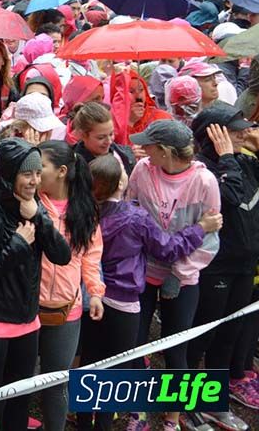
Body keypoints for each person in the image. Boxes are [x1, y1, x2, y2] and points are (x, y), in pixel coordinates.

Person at [78, 155, 221, 431]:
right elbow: (167, 248)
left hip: (90, 298)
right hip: (124, 300)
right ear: (121, 183)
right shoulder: (135, 218)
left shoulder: (82, 213)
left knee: (89, 363)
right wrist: (200, 228)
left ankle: (84, 422)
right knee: (117, 371)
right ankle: (104, 425)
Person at [0, 139, 71, 431]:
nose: (34, 180)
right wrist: (18, 245)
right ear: (8, 175)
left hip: (26, 322)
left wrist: (41, 219)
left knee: (19, 401)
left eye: (36, 173)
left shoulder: (34, 211)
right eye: (26, 174)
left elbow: (62, 255)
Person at [125, 119, 220, 431]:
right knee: (135, 344)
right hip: (142, 271)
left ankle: (172, 417)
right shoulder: (141, 170)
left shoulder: (205, 182)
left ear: (165, 151)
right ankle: (136, 411)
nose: (144, 149)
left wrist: (178, 273)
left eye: (149, 145)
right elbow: (131, 210)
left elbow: (210, 237)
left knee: (175, 349)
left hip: (182, 277)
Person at [187, 105, 259, 417]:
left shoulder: (244, 161)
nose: (245, 132)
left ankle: (213, 403)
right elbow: (230, 197)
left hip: (246, 265)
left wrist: (242, 149)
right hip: (216, 267)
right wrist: (227, 156)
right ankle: (187, 400)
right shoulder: (203, 169)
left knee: (230, 334)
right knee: (203, 335)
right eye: (236, 128)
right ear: (214, 135)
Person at [34, 140, 103, 431]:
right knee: (18, 381)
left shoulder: (85, 211)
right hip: (26, 309)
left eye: (41, 168)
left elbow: (91, 256)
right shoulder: (30, 204)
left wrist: (96, 293)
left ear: (62, 171)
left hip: (68, 311)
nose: (35, 175)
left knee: (56, 382)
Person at [71, 101, 135, 174]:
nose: (109, 141)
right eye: (101, 137)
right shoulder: (74, 166)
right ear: (83, 135)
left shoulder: (124, 154)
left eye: (111, 134)